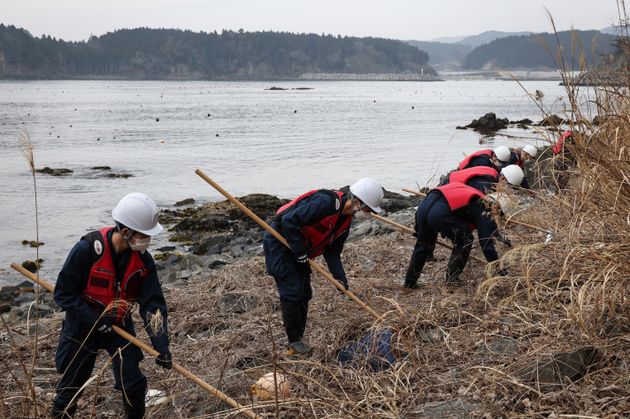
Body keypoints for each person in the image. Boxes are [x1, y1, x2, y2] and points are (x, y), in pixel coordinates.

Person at [52, 193, 171, 419]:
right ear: (125, 232)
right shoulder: (87, 249)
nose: (147, 239)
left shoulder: (143, 261)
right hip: (82, 325)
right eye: (144, 234)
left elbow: (153, 305)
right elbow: (63, 294)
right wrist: (96, 321)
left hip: (118, 322)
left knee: (132, 382)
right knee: (70, 386)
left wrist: (162, 344)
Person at [263, 178, 384, 355]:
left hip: (298, 249)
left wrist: (340, 280)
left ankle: (299, 339)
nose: (369, 214)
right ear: (357, 202)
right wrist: (299, 251)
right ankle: (293, 342)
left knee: (305, 293)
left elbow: (332, 253)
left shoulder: (344, 223)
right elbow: (289, 220)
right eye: (369, 210)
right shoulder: (326, 203)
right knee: (293, 291)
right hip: (280, 242)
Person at [402, 180, 510, 289]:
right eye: (499, 214)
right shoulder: (484, 209)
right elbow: (486, 243)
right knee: (465, 239)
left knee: (423, 245)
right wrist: (499, 268)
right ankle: (452, 279)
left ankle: (409, 284)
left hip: (424, 206)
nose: (496, 217)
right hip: (439, 214)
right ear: (497, 207)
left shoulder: (476, 195)